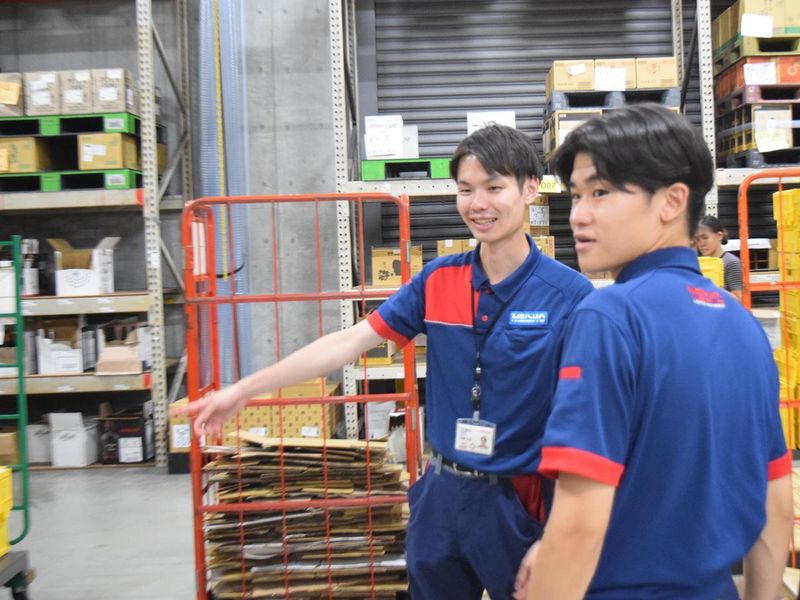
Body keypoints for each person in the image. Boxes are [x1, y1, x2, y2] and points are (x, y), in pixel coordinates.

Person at [172, 124, 593, 599]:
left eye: (494, 188)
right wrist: (243, 390)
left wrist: (565, 528)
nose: (478, 204)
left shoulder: (569, 295)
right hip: (442, 492)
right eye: (466, 190)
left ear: (530, 188)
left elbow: (585, 419)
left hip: (519, 500)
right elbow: (348, 342)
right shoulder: (438, 280)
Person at [514, 104, 793, 600]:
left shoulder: (609, 317)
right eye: (576, 195)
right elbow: (774, 504)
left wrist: (558, 553)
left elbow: (579, 526)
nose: (578, 214)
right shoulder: (744, 327)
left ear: (672, 201)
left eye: (601, 192)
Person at [695, 215, 743, 300]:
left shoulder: (731, 262)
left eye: (705, 238)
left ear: (719, 236)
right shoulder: (695, 262)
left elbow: (738, 298)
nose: (701, 244)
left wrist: (712, 288)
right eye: (697, 239)